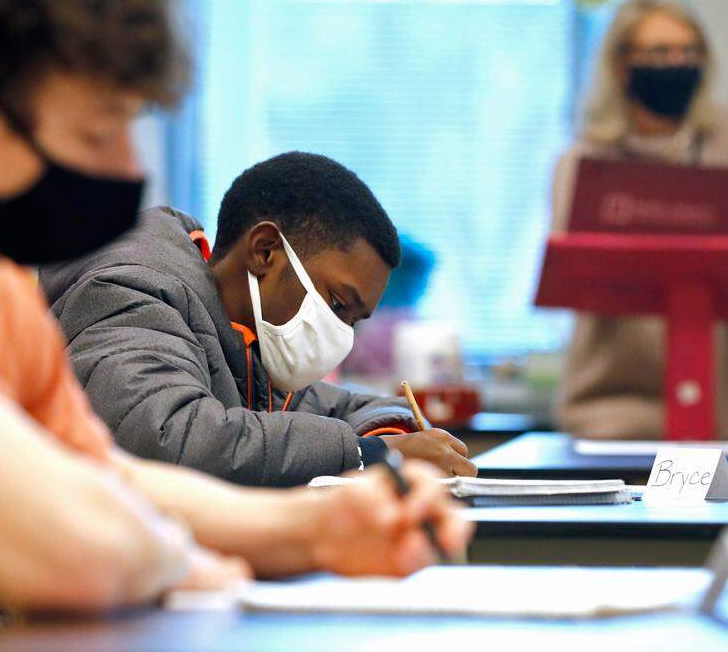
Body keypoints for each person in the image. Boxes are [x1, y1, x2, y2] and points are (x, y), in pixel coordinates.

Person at [0, 0, 472, 651]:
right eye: (95, 134)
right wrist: (200, 559)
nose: (127, 172)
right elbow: (65, 551)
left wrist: (321, 527)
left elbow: (105, 476)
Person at [40, 153, 476, 486]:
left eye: (354, 321)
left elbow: (335, 409)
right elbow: (169, 438)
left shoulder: (244, 339)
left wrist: (394, 434)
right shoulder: (129, 293)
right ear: (265, 251)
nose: (341, 335)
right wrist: (371, 455)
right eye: (337, 303)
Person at [550, 0, 728, 440]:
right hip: (613, 408)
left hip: (721, 405)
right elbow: (570, 270)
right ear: (622, 63)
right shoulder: (585, 161)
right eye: (661, 52)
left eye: (689, 51)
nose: (678, 63)